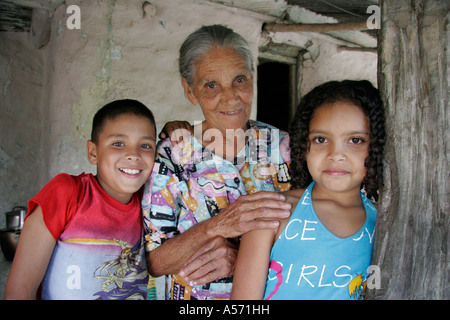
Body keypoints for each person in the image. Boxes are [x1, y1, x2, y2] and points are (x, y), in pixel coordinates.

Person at [142, 25, 292, 300]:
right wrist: (216, 226)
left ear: (252, 77)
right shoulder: (173, 155)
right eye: (211, 85)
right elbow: (155, 263)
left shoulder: (283, 148)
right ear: (189, 90)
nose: (231, 97)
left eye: (239, 80)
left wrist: (244, 258)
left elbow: (312, 236)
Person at [231, 80, 386, 300]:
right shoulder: (272, 212)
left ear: (377, 147)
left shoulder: (383, 222)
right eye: (321, 139)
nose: (335, 154)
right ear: (304, 145)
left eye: (356, 140)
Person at [4, 99, 157, 300]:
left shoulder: (150, 203)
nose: (134, 155)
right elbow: (19, 291)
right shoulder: (68, 193)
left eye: (145, 145)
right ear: (93, 152)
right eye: (118, 143)